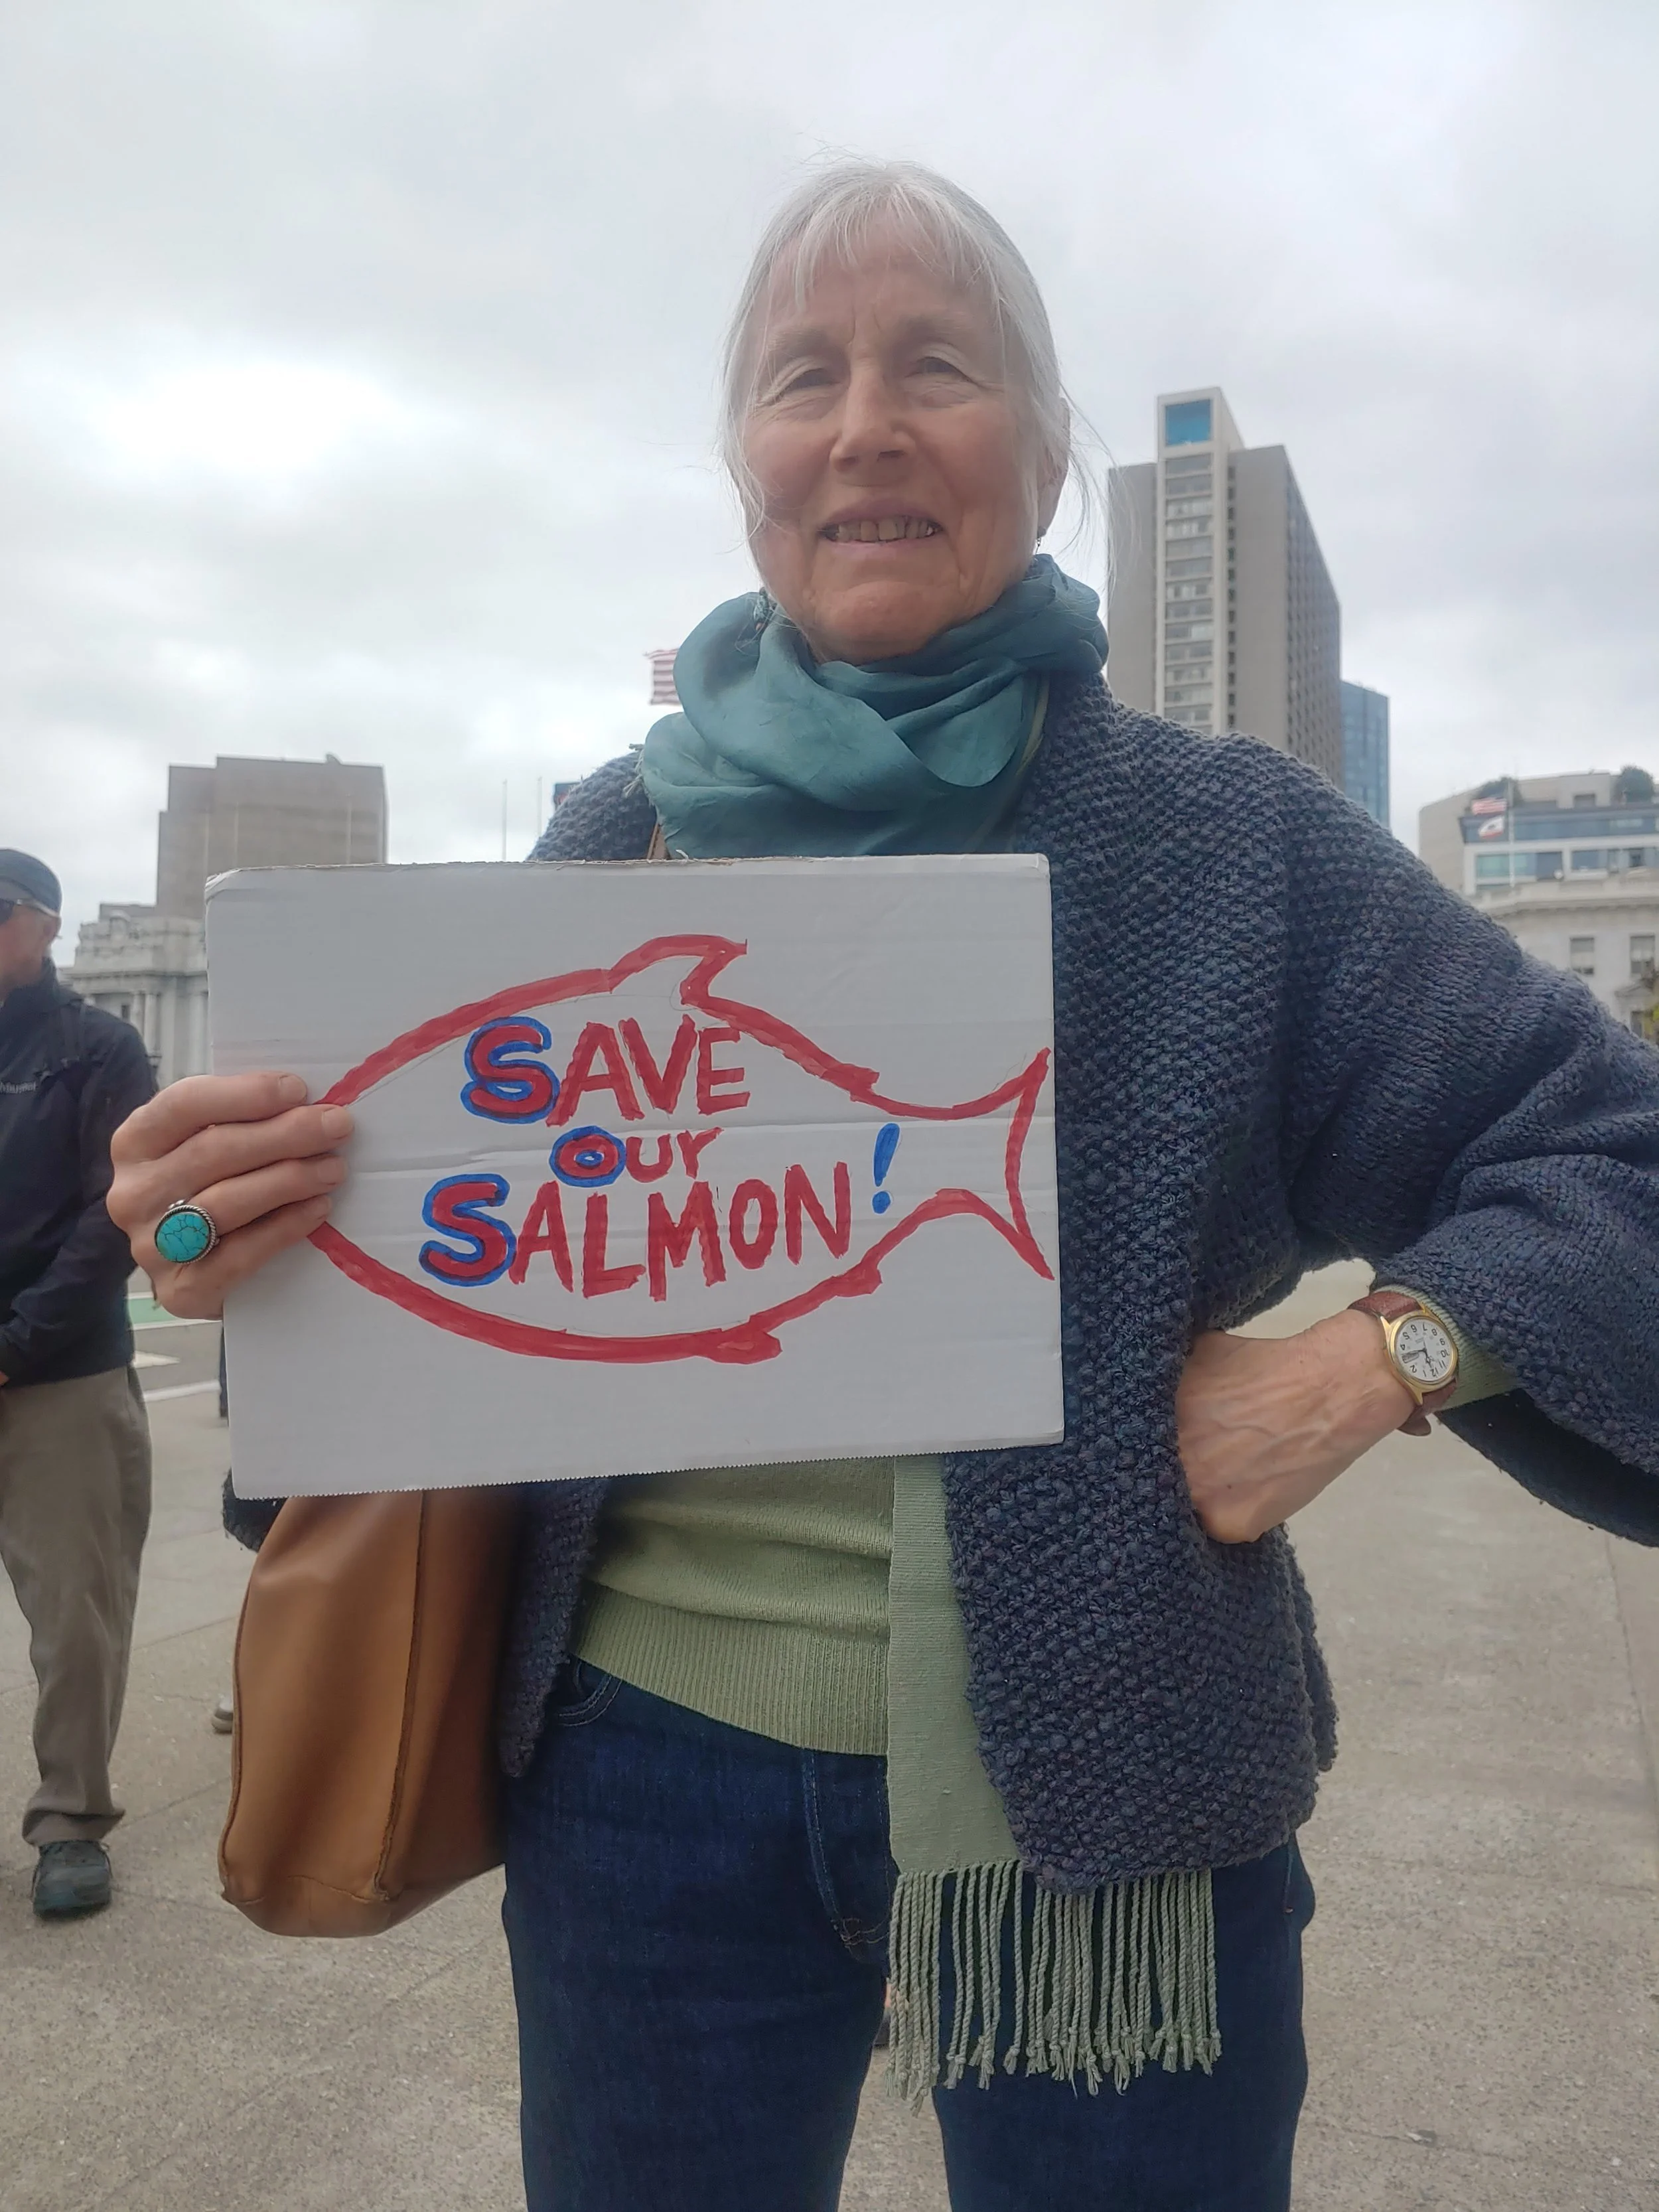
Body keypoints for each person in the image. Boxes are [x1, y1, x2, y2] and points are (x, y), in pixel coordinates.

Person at [106, 165, 1659, 2211]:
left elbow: (1601, 1152)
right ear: (744, 468)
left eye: (936, 364)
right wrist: (246, 1248)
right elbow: (433, 1309)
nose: (863, 423)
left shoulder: (1230, 850)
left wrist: (1367, 1362)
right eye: (799, 378)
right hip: (635, 1770)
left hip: (1106, 1794)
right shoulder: (598, 853)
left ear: (1035, 448)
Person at [0, 849, 155, 1918]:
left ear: (45, 927)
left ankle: (70, 1820)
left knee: (76, 1617)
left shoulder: (98, 1048)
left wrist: (16, 1341)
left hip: (58, 1371)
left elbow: (119, 1212)